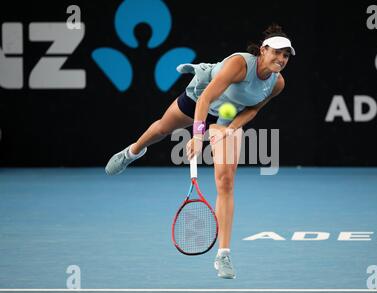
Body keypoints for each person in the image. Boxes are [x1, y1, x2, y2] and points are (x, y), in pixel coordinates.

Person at [105, 24, 295, 279]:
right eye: (277, 53)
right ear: (263, 50)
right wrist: (197, 136)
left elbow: (254, 110)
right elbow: (205, 99)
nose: (281, 59)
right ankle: (132, 152)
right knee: (162, 128)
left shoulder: (277, 83)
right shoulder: (239, 64)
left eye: (286, 56)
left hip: (228, 116)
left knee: (226, 181)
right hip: (201, 98)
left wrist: (231, 129)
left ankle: (223, 255)